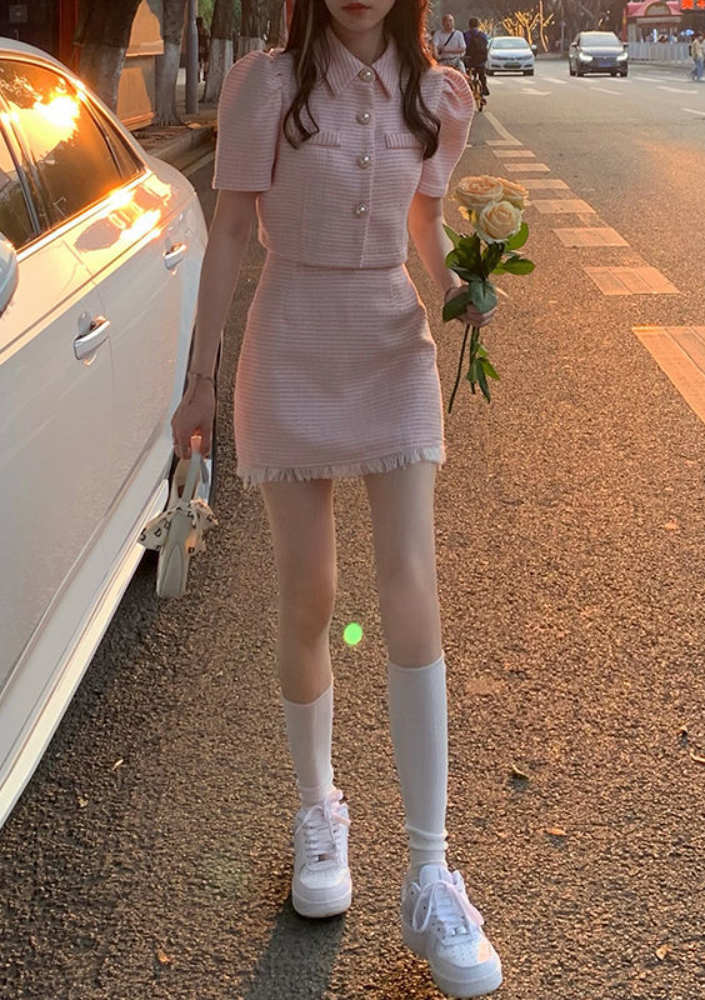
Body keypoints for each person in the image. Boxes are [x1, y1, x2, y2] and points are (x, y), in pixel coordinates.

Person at [170, 0, 503, 994]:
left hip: (390, 343)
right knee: (309, 592)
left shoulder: (437, 94)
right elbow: (232, 231)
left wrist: (460, 288)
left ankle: (430, 872)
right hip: (290, 341)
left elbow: (424, 219)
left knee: (411, 585)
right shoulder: (265, 85)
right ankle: (319, 809)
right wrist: (198, 380)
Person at [464, 16, 490, 98]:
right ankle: (484, 87)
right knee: (482, 74)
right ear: (478, 25)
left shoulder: (465, 35)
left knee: (466, 73)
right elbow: (486, 45)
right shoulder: (483, 35)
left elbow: (463, 46)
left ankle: (468, 87)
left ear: (469, 25)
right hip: (480, 60)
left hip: (469, 60)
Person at [196, 15, 210, 99]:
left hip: (197, 49)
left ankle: (197, 76)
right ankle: (205, 75)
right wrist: (208, 48)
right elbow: (207, 40)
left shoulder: (196, 30)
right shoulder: (205, 30)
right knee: (206, 62)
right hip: (205, 49)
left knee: (197, 63)